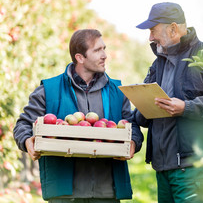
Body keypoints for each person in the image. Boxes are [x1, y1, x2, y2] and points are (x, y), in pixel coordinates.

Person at [13, 29, 143, 203]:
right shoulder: (48, 90)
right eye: (97, 50)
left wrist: (133, 141)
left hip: (106, 191)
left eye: (104, 48)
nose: (104, 55)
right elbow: (23, 125)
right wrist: (27, 141)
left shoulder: (118, 92)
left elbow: (132, 125)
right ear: (80, 58)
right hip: (65, 193)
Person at [133, 2, 203, 203]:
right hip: (163, 169)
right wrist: (141, 105)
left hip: (196, 169)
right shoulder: (157, 64)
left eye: (153, 31)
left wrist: (186, 107)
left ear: (173, 28)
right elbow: (142, 117)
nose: (150, 37)